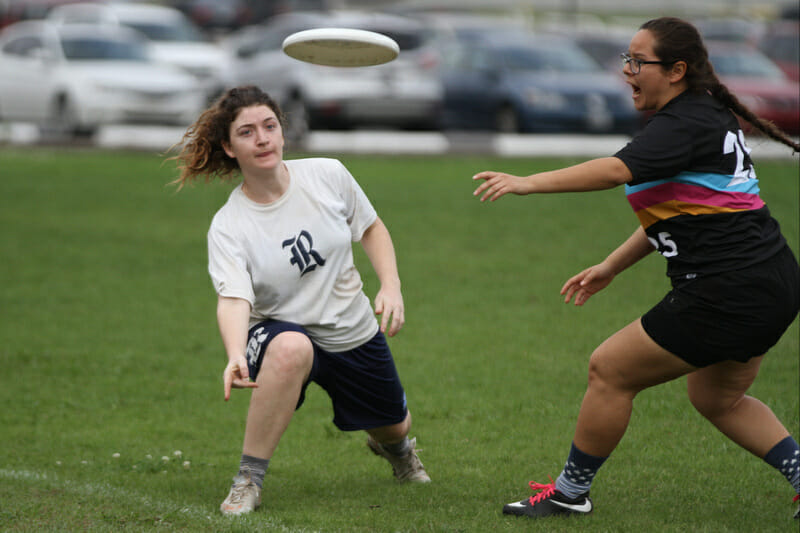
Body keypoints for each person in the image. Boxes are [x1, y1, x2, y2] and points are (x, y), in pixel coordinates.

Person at [472, 17, 800, 520]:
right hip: (769, 281)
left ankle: (569, 493)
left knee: (610, 369)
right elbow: (683, 210)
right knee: (719, 398)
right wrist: (611, 266)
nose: (626, 71)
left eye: (636, 61)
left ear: (676, 70)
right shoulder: (701, 115)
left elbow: (614, 171)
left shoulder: (685, 122)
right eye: (626, 59)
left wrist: (528, 182)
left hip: (729, 288)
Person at [170, 86, 430, 516]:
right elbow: (234, 299)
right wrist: (236, 353)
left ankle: (397, 450)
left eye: (270, 126)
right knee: (293, 348)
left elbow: (371, 227)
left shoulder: (327, 174)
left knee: (393, 424)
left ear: (283, 132)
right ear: (229, 147)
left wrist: (391, 285)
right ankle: (248, 479)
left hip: (350, 328)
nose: (263, 139)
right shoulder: (229, 225)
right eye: (247, 132)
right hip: (277, 331)